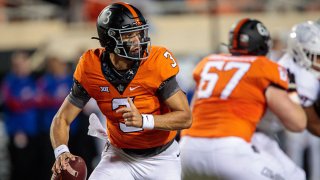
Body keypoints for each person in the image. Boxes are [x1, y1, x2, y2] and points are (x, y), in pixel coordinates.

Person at [50, 2, 192, 180]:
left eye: (139, 33)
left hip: (161, 158)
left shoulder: (156, 63)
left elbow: (185, 117)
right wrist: (61, 151)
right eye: (128, 35)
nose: (137, 40)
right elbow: (62, 118)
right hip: (119, 155)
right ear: (109, 39)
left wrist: (144, 120)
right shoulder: (90, 67)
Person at [179, 18, 307, 180]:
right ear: (263, 46)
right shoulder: (264, 68)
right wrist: (293, 90)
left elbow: (193, 111)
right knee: (295, 176)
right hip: (229, 151)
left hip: (188, 150)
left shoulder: (208, 63)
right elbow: (297, 123)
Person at [278, 21, 320, 180]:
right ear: (301, 52)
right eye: (318, 57)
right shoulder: (304, 79)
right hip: (281, 125)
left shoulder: (288, 61)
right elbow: (313, 125)